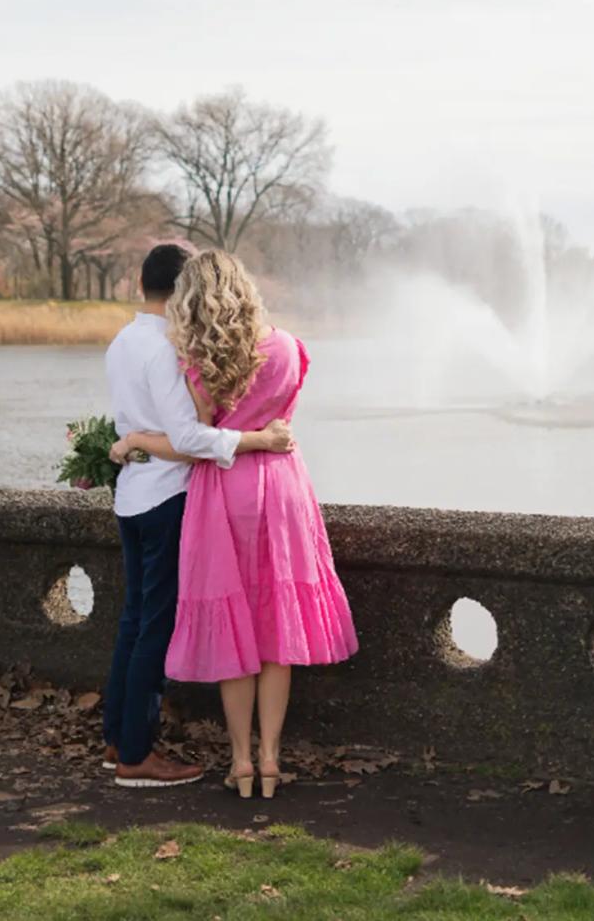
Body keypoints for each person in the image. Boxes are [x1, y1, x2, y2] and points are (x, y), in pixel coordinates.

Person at [112, 250, 358, 800]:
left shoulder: (198, 360)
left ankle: (241, 762)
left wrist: (132, 441)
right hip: (283, 489)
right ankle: (272, 760)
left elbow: (195, 441)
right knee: (275, 631)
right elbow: (284, 418)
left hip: (224, 494)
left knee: (236, 629)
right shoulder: (292, 349)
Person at [101, 242, 295, 789]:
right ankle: (136, 756)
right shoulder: (166, 348)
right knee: (154, 627)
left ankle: (117, 738)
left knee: (134, 619)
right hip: (166, 497)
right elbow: (188, 439)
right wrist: (260, 438)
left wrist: (133, 439)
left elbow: (132, 422)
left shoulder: (122, 341)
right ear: (185, 288)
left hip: (132, 496)